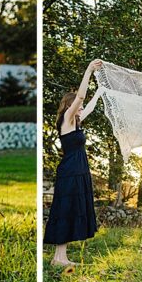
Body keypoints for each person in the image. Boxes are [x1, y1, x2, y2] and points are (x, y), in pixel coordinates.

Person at [43, 60, 103, 267]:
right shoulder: (67, 119)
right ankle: (58, 258)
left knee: (70, 209)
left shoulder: (76, 122)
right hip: (70, 171)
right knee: (65, 209)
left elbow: (90, 105)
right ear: (70, 106)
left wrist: (100, 91)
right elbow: (80, 96)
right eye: (78, 106)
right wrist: (89, 70)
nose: (82, 107)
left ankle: (61, 257)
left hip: (79, 171)